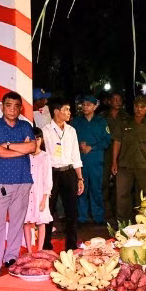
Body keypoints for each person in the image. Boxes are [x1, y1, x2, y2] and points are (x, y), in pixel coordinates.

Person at [0, 92, 35, 278]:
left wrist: (6, 146)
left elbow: (32, 147)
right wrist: (19, 149)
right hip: (0, 181)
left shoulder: (26, 126)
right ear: (2, 107)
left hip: (23, 180)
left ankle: (11, 257)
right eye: (8, 105)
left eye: (16, 106)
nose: (12, 109)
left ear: (20, 108)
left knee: (17, 222)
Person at [41, 97, 84, 250]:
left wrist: (80, 178)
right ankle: (46, 245)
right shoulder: (45, 131)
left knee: (71, 211)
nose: (69, 112)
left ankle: (71, 246)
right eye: (66, 109)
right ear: (56, 112)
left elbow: (76, 156)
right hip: (51, 173)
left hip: (68, 172)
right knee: (48, 209)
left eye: (69, 110)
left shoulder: (71, 131)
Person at [111, 95, 146, 222]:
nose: (138, 109)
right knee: (122, 195)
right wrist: (114, 162)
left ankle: (143, 222)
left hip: (143, 166)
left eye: (142, 107)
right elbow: (117, 142)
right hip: (124, 165)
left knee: (143, 196)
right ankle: (122, 223)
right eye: (136, 106)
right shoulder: (124, 122)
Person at [72, 95, 111, 225]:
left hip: (96, 160)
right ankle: (82, 217)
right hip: (80, 160)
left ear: (95, 106)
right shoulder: (76, 122)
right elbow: (69, 139)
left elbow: (107, 140)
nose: (85, 107)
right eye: (83, 105)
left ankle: (98, 216)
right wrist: (78, 145)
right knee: (81, 188)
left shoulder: (101, 121)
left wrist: (92, 147)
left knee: (96, 189)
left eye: (88, 105)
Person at [24, 128, 52, 251]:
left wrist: (44, 198)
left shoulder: (45, 156)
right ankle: (29, 250)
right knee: (26, 221)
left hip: (40, 193)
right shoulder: (25, 156)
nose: (35, 142)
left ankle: (40, 250)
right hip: (26, 193)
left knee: (41, 221)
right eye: (33, 139)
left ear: (42, 140)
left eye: (38, 139)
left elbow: (48, 179)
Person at [102, 92, 128, 223]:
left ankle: (120, 214)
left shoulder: (126, 117)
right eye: (115, 99)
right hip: (105, 151)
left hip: (122, 153)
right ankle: (106, 213)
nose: (117, 102)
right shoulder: (102, 116)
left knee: (120, 186)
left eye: (119, 100)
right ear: (109, 101)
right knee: (104, 184)